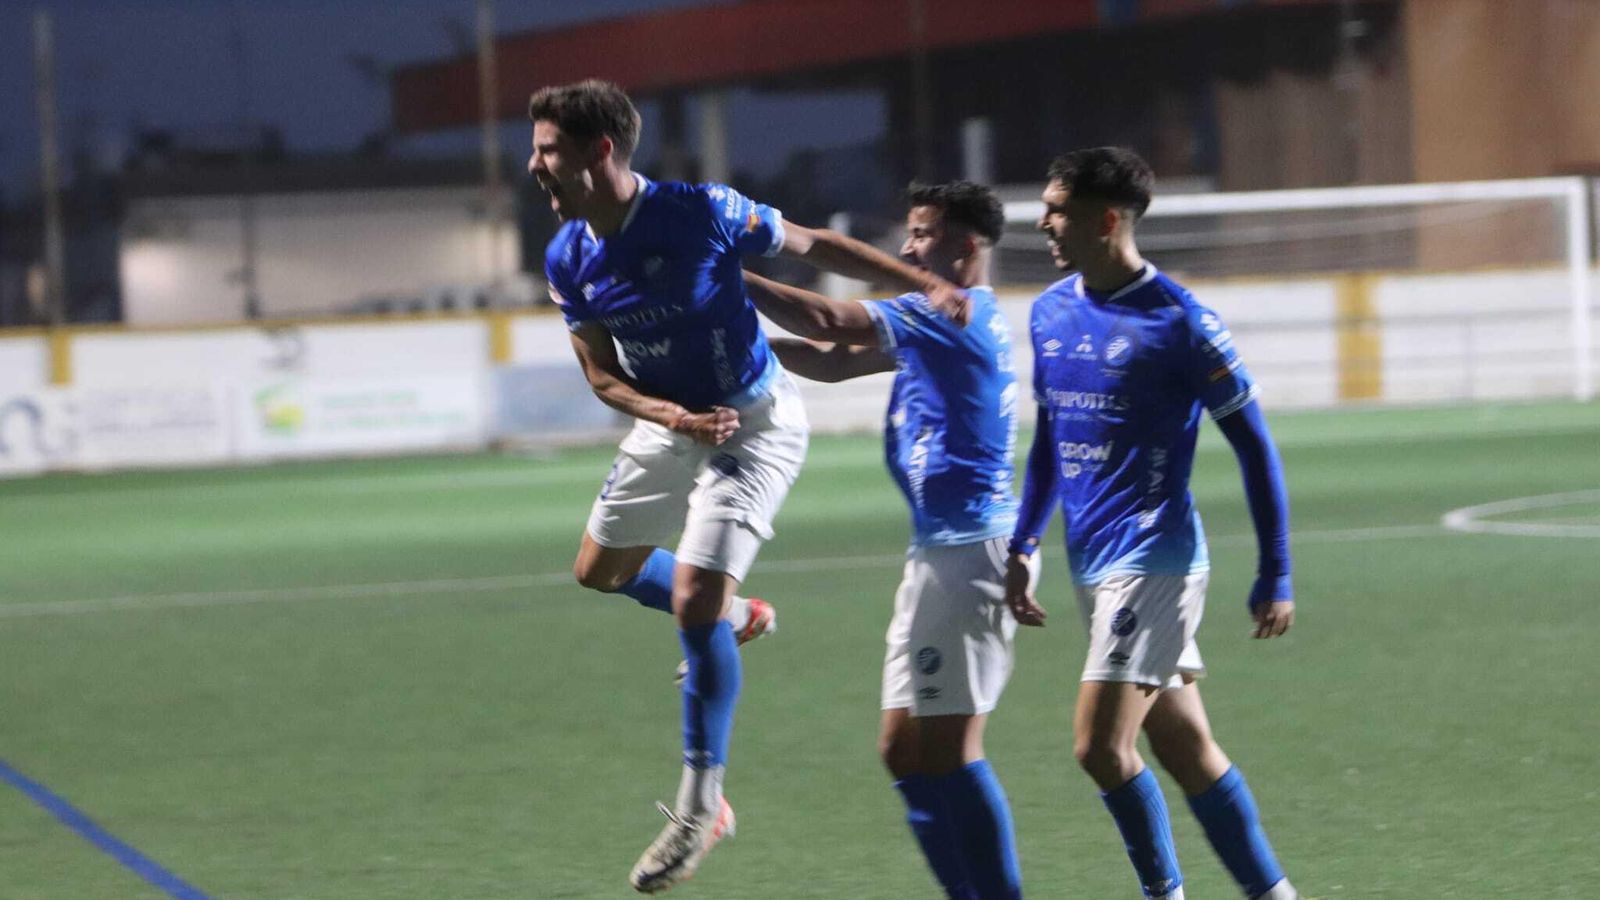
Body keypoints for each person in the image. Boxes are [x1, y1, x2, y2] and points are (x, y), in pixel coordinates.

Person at [528, 79, 970, 894]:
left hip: (755, 424)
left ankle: (703, 808)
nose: (534, 166)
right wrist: (666, 413)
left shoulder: (700, 210)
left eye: (548, 151)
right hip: (673, 423)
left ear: (599, 152)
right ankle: (738, 617)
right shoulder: (567, 257)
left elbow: (811, 245)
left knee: (692, 593)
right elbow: (599, 374)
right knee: (600, 570)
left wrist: (923, 287)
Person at [1004, 147, 1300, 900]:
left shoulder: (1182, 321)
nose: (1043, 222)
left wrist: (1277, 572)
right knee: (1188, 747)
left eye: (1057, 210)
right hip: (1091, 562)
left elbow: (1254, 446)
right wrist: (1026, 538)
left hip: (1156, 556)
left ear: (1107, 220)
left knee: (1100, 748)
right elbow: (1052, 438)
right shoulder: (1050, 310)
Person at [742, 180, 1032, 899]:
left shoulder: (947, 315)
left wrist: (714, 268)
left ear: (965, 248)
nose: (906, 249)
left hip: (966, 554)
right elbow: (835, 357)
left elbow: (828, 316)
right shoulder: (946, 322)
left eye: (923, 234)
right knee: (904, 749)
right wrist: (725, 356)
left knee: (950, 752)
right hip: (941, 550)